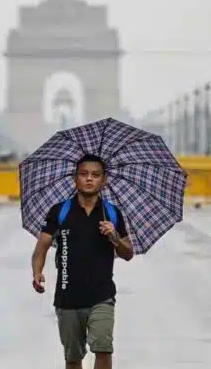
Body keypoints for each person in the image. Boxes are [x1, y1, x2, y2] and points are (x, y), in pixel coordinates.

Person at [31, 154, 134, 369]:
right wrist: (37, 272)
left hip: (102, 296)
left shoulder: (112, 214)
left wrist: (114, 236)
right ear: (75, 179)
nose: (89, 179)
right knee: (73, 357)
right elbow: (42, 246)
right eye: (84, 174)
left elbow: (128, 253)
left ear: (103, 180)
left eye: (95, 175)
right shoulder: (60, 211)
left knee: (103, 348)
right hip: (68, 297)